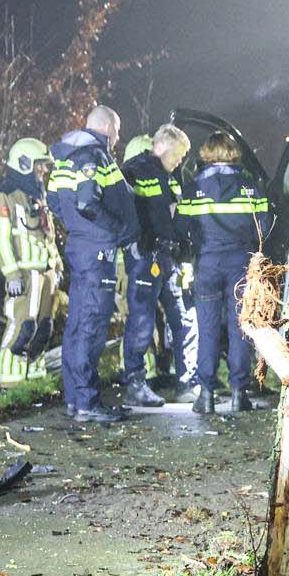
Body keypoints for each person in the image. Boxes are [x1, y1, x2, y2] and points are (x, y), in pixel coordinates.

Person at [46, 104, 139, 424]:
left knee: (77, 325)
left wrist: (80, 228)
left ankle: (76, 399)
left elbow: (55, 202)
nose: (118, 137)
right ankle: (86, 402)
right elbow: (87, 202)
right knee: (91, 326)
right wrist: (112, 230)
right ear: (107, 128)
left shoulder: (64, 158)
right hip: (98, 250)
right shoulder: (93, 156)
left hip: (81, 248)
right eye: (117, 130)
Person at [176, 130, 276, 415]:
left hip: (207, 264)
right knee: (240, 328)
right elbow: (265, 226)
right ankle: (238, 393)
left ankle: (206, 395)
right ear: (233, 153)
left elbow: (179, 228)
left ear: (207, 153)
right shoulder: (250, 185)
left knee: (206, 329)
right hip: (240, 265)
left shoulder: (193, 187)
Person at [118, 127, 194, 407]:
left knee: (183, 318)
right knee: (141, 322)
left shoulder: (170, 177)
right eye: (179, 153)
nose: (181, 160)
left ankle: (186, 382)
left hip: (169, 257)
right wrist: (135, 243)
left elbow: (175, 215)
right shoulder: (135, 170)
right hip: (146, 257)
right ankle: (135, 384)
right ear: (162, 145)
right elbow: (124, 211)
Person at [0, 138, 59, 385]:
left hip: (45, 273)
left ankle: (35, 382)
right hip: (24, 275)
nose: (44, 171)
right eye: (40, 165)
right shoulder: (4, 195)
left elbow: (47, 234)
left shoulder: (38, 196)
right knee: (22, 328)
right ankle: (11, 384)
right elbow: (0, 240)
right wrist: (12, 275)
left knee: (43, 329)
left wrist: (56, 265)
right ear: (24, 163)